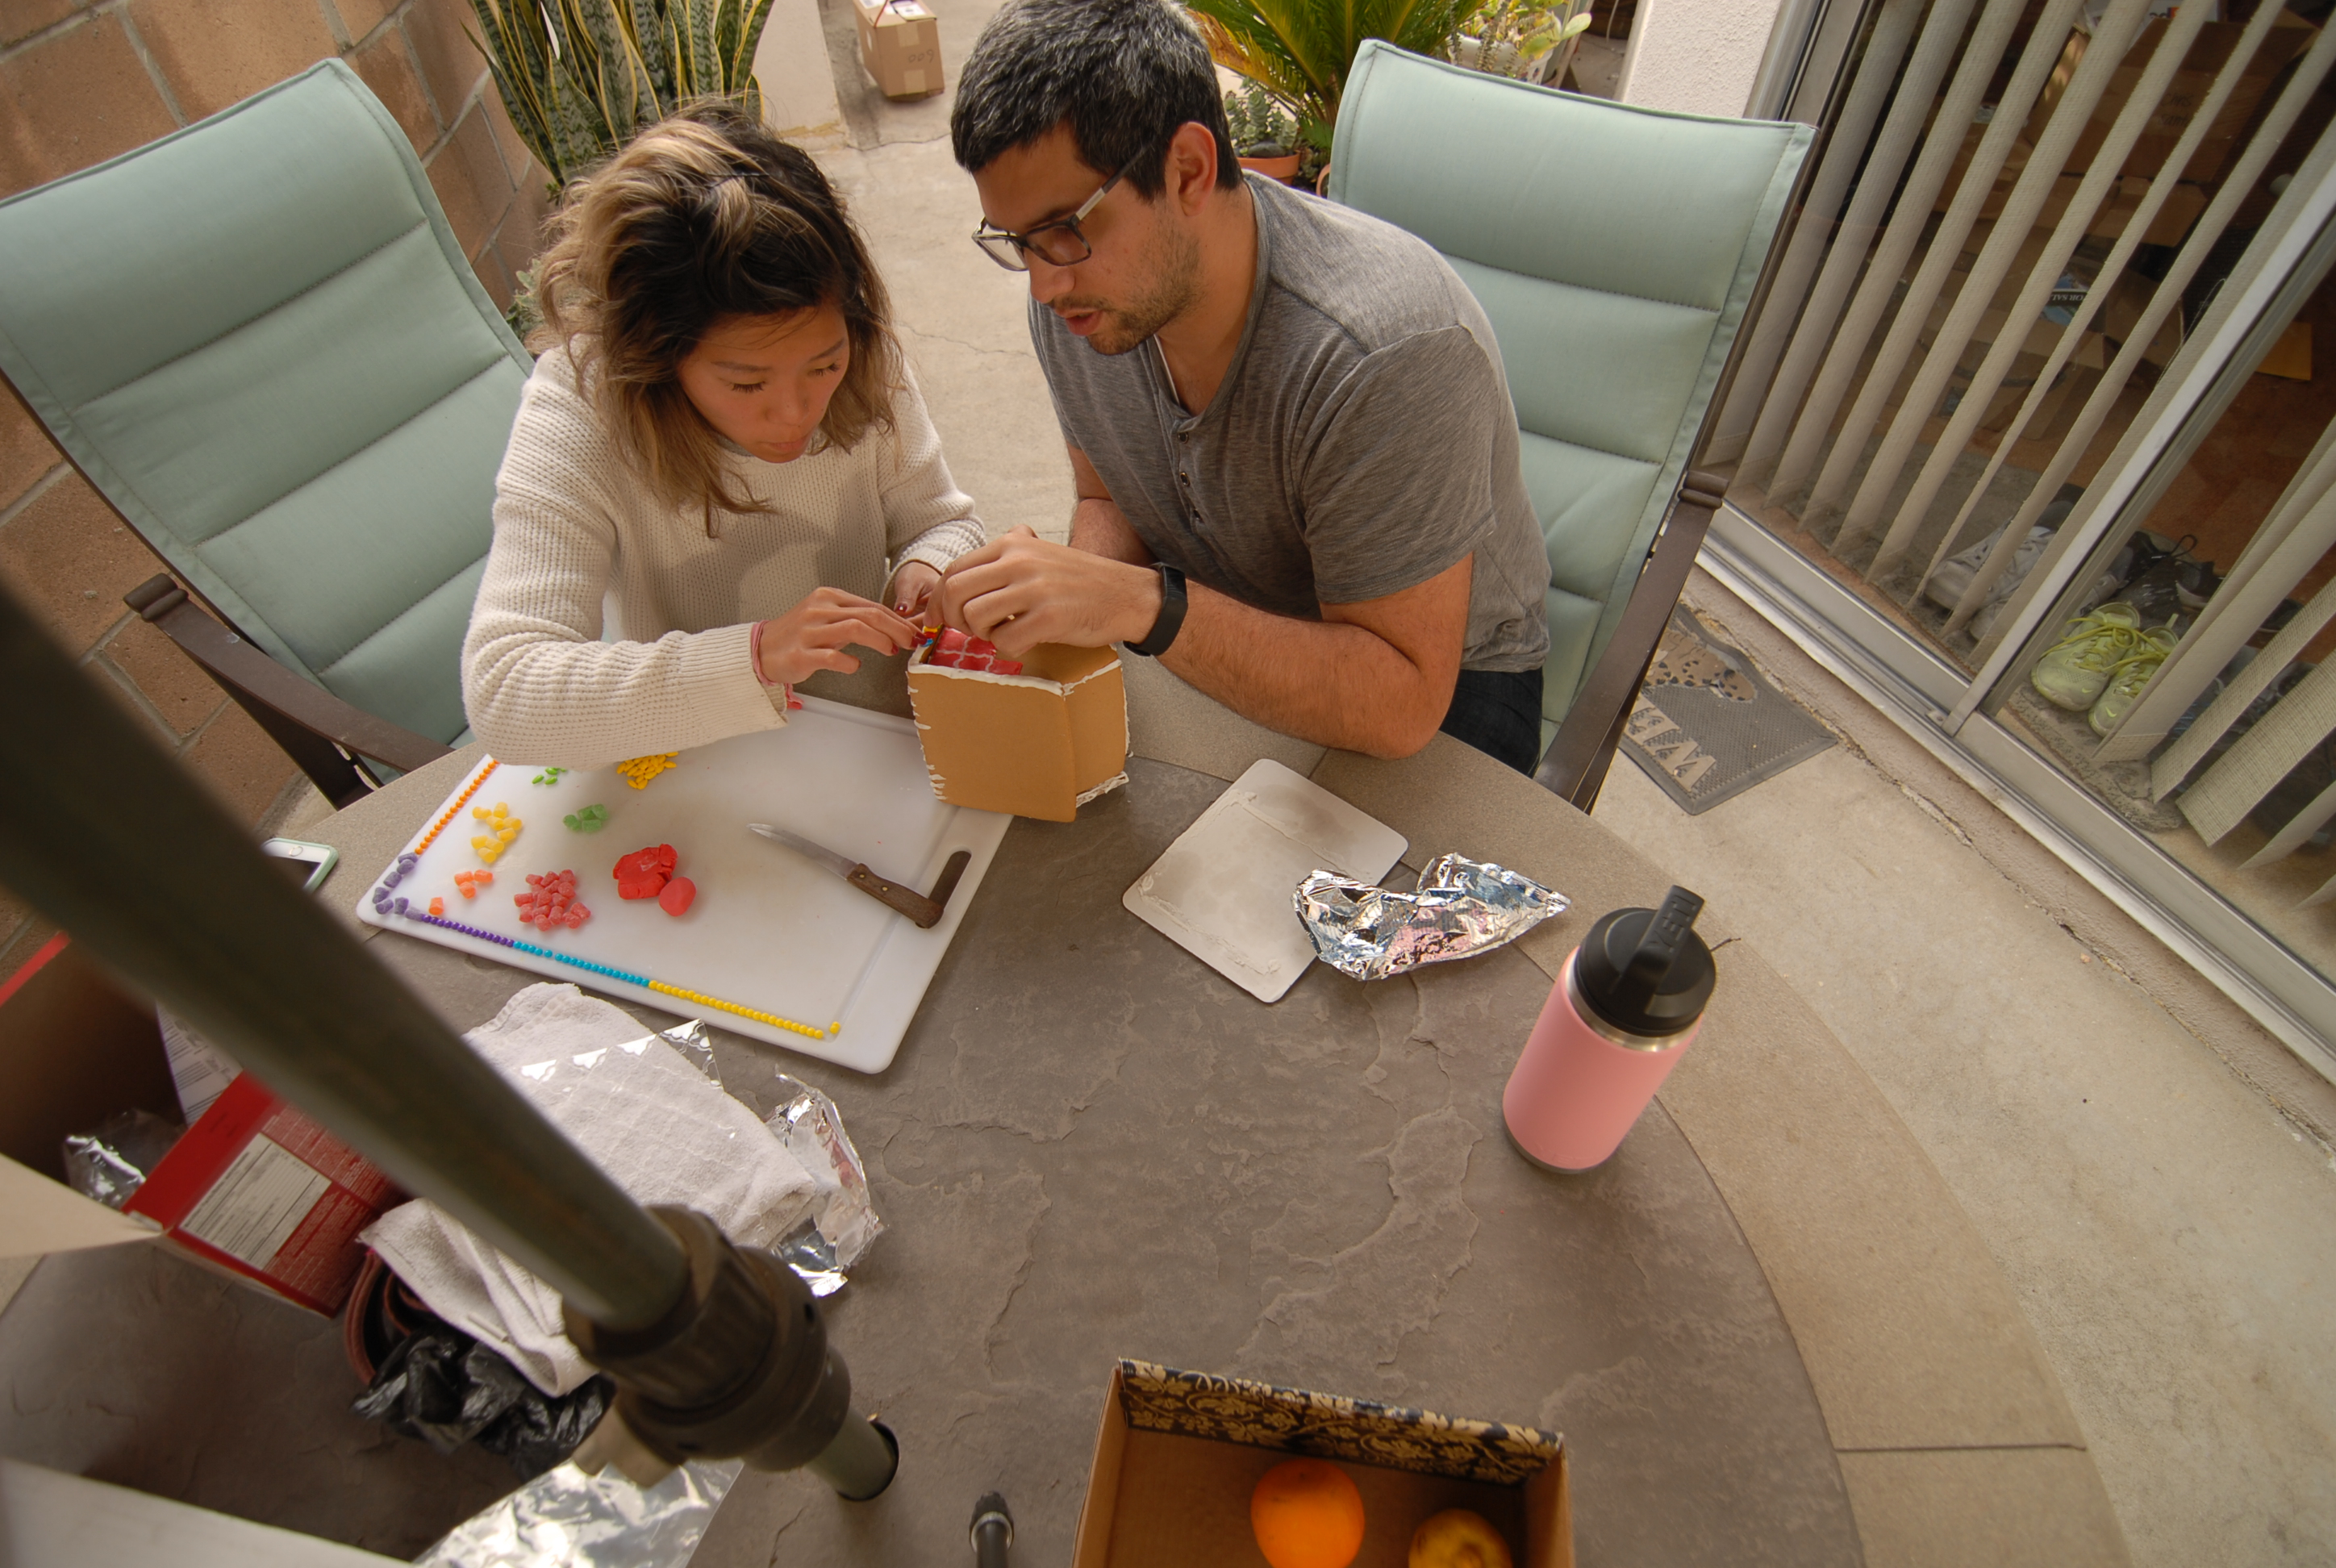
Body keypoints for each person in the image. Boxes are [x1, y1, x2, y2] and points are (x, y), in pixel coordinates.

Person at [941, 0, 1553, 773]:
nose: (1042, 286)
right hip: (1219, 610)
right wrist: (1069, 596)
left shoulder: (1380, 354)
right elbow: (1110, 498)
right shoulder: (1084, 305)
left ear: (1188, 171)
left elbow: (1400, 703)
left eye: (1065, 230)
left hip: (1440, 685)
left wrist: (1135, 603)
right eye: (1018, 241)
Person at [462, 102, 984, 768]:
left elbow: (943, 524)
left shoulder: (861, 355)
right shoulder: (582, 409)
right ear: (656, 358)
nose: (796, 413)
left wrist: (927, 567)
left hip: (865, 736)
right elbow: (505, 694)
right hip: (699, 756)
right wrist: (758, 657)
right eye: (745, 384)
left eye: (824, 367)